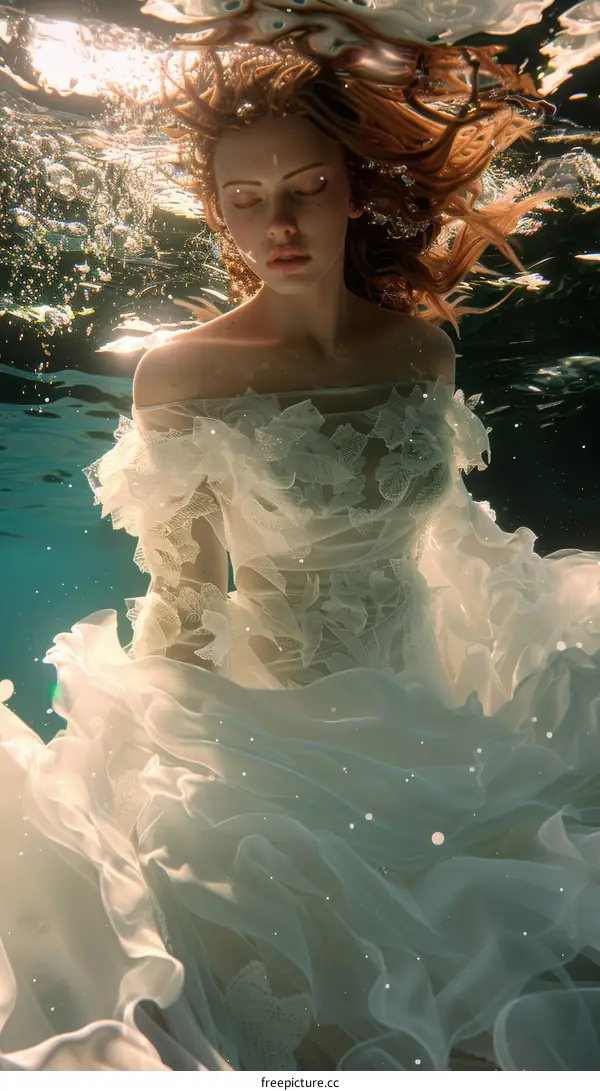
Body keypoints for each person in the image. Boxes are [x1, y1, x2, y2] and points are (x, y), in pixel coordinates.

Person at [1, 2, 599, 1073]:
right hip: (270, 750)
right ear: (216, 212)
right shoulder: (182, 374)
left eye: (306, 188)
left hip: (435, 719)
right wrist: (147, 788)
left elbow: (446, 546)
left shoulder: (421, 350)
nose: (277, 222)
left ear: (355, 188)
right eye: (245, 198)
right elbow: (183, 603)